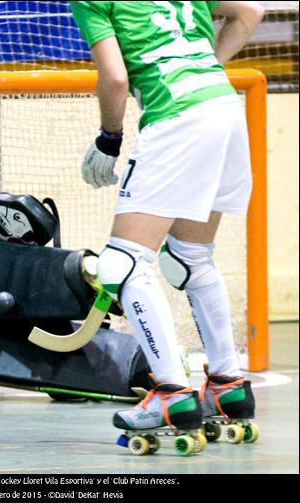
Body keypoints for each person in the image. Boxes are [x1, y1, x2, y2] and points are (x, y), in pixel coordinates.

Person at [70, 1, 264, 437]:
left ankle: (172, 392)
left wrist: (109, 138)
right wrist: (204, 69)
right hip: (223, 107)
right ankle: (227, 385)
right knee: (192, 258)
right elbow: (251, 11)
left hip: (178, 118)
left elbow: (116, 78)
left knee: (123, 264)